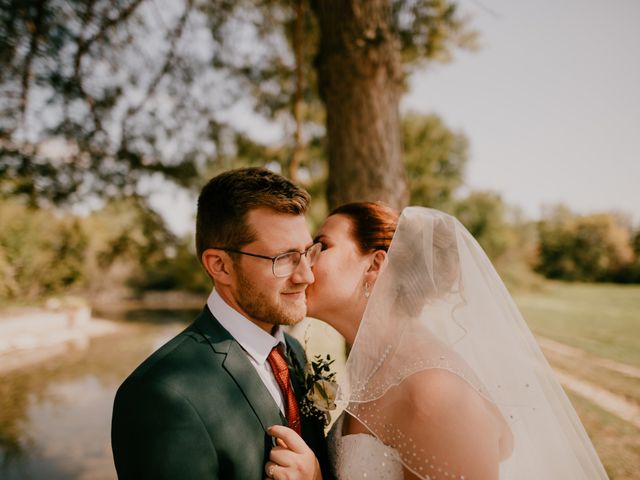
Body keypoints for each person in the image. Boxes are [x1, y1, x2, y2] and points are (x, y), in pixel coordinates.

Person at [269, 202, 608, 480]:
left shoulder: (435, 394)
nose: (304, 262)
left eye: (321, 247)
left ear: (374, 265)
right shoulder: (378, 368)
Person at [111, 167, 331, 479]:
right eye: (283, 258)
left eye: (307, 253)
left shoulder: (292, 351)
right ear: (221, 266)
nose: (306, 275)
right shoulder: (159, 396)